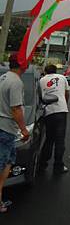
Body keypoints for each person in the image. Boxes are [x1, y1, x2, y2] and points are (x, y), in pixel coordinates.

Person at [0, 55, 29, 213]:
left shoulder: (4, 77)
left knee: (7, 163)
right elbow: (16, 108)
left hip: (6, 129)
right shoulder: (16, 82)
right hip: (6, 129)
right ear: (21, 64)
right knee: (2, 165)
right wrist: (24, 129)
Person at [39, 63, 70, 173]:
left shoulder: (41, 80)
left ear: (46, 71)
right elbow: (67, 93)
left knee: (49, 139)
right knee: (60, 140)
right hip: (61, 111)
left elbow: (40, 96)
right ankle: (58, 166)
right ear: (56, 71)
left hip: (48, 111)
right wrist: (65, 104)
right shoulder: (62, 78)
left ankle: (42, 164)